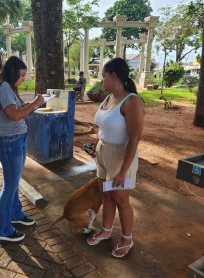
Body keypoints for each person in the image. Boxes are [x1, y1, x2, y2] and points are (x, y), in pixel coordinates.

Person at [87, 58, 144, 258]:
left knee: (121, 199)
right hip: (103, 153)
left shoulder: (132, 101)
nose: (101, 80)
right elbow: (103, 126)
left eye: (103, 76)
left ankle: (127, 238)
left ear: (114, 76)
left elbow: (135, 137)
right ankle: (107, 229)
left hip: (121, 156)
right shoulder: (108, 98)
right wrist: (96, 145)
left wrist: (122, 170)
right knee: (107, 195)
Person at [0, 56, 44, 242]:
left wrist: (27, 106)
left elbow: (16, 111)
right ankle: (2, 229)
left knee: (13, 183)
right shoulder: (3, 86)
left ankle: (15, 214)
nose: (23, 79)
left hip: (15, 140)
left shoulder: (7, 87)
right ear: (12, 72)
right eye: (21, 75)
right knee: (10, 186)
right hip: (9, 142)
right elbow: (14, 116)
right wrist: (36, 103)